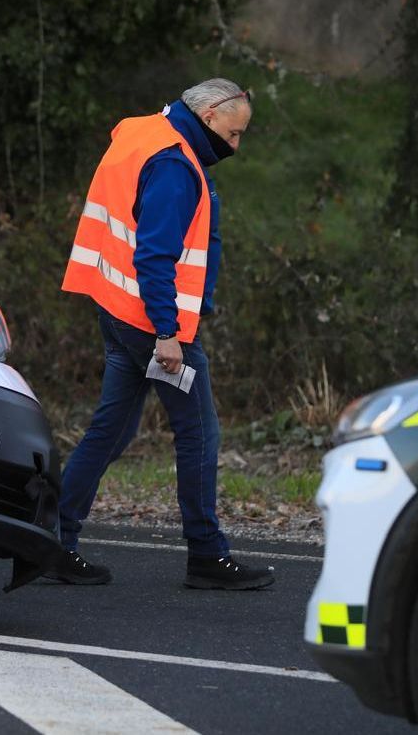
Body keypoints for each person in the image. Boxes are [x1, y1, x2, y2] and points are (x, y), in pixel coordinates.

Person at [53, 78, 273, 591]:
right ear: (212, 114)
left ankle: (53, 540)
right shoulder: (175, 164)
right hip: (154, 324)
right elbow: (154, 256)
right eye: (235, 133)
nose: (235, 146)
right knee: (198, 434)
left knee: (111, 429)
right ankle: (206, 556)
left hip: (117, 308)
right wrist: (168, 335)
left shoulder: (142, 131)